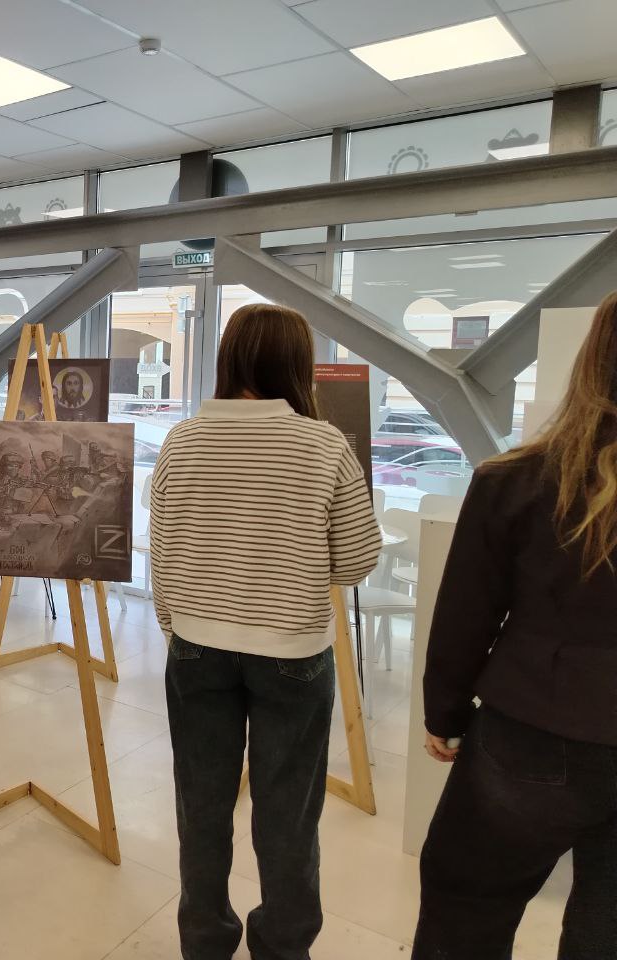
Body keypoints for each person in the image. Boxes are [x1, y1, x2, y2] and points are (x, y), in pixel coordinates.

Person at [150, 303, 381, 960]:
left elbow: (162, 553)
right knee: (288, 814)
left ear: (228, 360)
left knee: (201, 806)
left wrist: (178, 625)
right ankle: (282, 946)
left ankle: (205, 941)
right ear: (298, 365)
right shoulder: (324, 445)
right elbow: (357, 560)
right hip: (293, 651)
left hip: (197, 646)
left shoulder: (181, 441)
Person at [413, 292, 617, 960]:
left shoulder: (520, 480)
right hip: (550, 725)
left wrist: (444, 714)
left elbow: (467, 614)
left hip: (536, 728)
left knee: (465, 911)